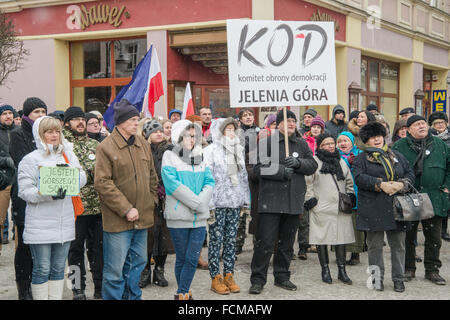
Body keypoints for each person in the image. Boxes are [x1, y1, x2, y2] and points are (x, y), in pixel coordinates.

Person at [94, 99, 159, 300]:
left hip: (142, 218)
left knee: (137, 264)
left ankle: (133, 297)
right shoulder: (106, 147)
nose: (135, 122)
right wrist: (126, 209)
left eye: (137, 119)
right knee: (114, 271)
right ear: (120, 122)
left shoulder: (142, 143)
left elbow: (152, 177)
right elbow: (103, 183)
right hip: (118, 222)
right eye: (132, 119)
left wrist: (151, 201)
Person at [249, 110, 318, 294]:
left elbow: (312, 166)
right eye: (287, 120)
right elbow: (257, 169)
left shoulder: (301, 144)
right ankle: (258, 279)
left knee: (287, 244)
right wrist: (280, 171)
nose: (291, 123)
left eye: (293, 121)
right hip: (270, 202)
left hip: (293, 202)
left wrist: (298, 164)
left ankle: (282, 276)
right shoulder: (266, 143)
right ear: (278, 123)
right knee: (265, 243)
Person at [18, 116, 87, 299]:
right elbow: (25, 191)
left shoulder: (68, 155)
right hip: (40, 224)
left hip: (64, 222)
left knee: (58, 269)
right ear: (40, 134)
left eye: (57, 131)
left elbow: (82, 176)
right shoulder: (30, 159)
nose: (54, 135)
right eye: (49, 131)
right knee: (42, 268)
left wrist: (71, 182)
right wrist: (47, 193)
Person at [353, 121, 415, 292]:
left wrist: (402, 184)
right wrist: (380, 184)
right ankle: (376, 279)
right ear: (367, 141)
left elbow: (410, 173)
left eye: (379, 136)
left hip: (396, 207)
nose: (377, 139)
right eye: (372, 137)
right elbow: (359, 178)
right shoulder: (361, 158)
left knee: (398, 246)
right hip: (373, 208)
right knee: (374, 247)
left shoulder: (396, 155)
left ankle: (398, 279)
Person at [392, 115, 450, 285]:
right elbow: (393, 170)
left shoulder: (440, 145)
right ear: (408, 129)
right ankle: (409, 268)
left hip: (435, 196)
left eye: (423, 123)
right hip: (409, 197)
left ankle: (432, 270)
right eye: (417, 124)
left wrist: (447, 187)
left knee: (434, 237)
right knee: (408, 236)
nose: (421, 126)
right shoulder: (399, 146)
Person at [161, 119, 215, 300]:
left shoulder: (201, 156)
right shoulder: (170, 155)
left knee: (192, 258)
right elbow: (171, 183)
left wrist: (200, 202)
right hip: (179, 216)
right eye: (189, 135)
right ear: (179, 135)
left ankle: (181, 293)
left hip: (199, 216)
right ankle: (184, 293)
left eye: (195, 136)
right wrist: (195, 202)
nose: (193, 139)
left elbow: (209, 181)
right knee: (182, 258)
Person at [204, 118, 250, 295]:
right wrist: (209, 203)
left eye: (233, 129)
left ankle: (229, 274)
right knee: (216, 240)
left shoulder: (237, 151)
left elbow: (243, 177)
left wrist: (245, 200)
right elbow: (207, 178)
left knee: (231, 240)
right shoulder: (210, 151)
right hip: (217, 203)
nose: (231, 132)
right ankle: (215, 277)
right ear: (219, 131)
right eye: (228, 129)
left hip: (234, 202)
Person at [62, 107, 103, 300]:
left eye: (82, 119)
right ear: (67, 123)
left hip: (96, 208)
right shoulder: (62, 145)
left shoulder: (95, 145)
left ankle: (100, 287)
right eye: (75, 119)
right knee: (75, 252)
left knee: (98, 250)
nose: (80, 122)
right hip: (73, 209)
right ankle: (77, 288)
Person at [305, 132, 356, 285]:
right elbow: (308, 183)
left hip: (340, 207)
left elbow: (349, 181)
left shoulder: (341, 162)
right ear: (320, 146)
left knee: (342, 239)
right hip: (321, 206)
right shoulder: (314, 162)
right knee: (321, 239)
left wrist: (351, 195)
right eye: (326, 144)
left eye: (332, 143)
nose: (330, 146)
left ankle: (342, 270)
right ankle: (325, 269)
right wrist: (310, 199)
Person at [9, 97, 47, 300]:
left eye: (43, 111)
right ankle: (23, 288)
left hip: (46, 197)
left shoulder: (47, 135)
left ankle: (38, 284)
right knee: (24, 244)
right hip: (24, 198)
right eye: (36, 112)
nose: (41, 116)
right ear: (26, 115)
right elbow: (25, 163)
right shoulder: (17, 134)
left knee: (40, 245)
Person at [139, 120, 175, 289]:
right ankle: (145, 271)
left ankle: (159, 270)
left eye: (160, 131)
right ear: (146, 135)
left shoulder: (171, 150)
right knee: (148, 236)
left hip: (167, 198)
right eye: (154, 131)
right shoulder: (142, 151)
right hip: (147, 198)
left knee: (164, 236)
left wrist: (164, 187)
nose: (159, 134)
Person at [336, 131, 365, 265]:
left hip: (356, 194)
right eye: (340, 141)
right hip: (339, 194)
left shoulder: (359, 154)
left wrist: (352, 163)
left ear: (352, 142)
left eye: (345, 140)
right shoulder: (335, 156)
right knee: (340, 225)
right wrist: (346, 162)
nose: (342, 143)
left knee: (355, 225)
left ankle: (355, 253)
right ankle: (340, 253)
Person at [235, 107, 260, 255]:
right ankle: (238, 242)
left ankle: (257, 240)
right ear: (240, 119)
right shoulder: (238, 134)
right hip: (242, 173)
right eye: (245, 115)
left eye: (250, 114)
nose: (248, 117)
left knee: (257, 209)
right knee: (242, 210)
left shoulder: (260, 132)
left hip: (257, 174)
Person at [428, 112, 450, 241]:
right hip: (436, 172)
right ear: (432, 125)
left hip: (448, 172)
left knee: (446, 202)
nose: (440, 125)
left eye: (442, 122)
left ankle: (444, 230)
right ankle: (434, 230)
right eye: (437, 123)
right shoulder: (429, 137)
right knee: (436, 202)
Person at [0, 104, 16, 254]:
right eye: (4, 113)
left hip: (18, 179)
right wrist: (6, 160)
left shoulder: (18, 132)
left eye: (10, 113)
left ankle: (21, 252)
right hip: (2, 179)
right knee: (0, 217)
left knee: (19, 218)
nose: (8, 116)